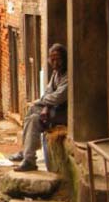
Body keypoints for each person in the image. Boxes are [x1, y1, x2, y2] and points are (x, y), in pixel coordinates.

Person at [9, 44, 68, 172]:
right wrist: (45, 106)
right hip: (53, 109)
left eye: (58, 59)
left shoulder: (68, 76)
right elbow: (48, 92)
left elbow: (58, 97)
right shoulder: (56, 74)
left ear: (65, 59)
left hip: (64, 113)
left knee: (34, 119)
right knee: (31, 110)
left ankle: (29, 160)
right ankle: (26, 151)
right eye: (52, 59)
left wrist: (43, 102)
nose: (55, 63)